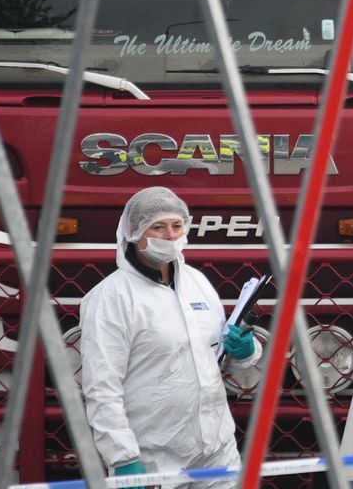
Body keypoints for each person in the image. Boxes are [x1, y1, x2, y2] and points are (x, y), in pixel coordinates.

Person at [78, 187, 260, 488]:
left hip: (217, 452)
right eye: (159, 227)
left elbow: (217, 360)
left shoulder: (197, 283)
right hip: (152, 460)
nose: (171, 236)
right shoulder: (111, 298)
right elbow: (102, 387)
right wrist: (122, 458)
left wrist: (246, 353)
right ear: (135, 232)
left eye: (176, 226)